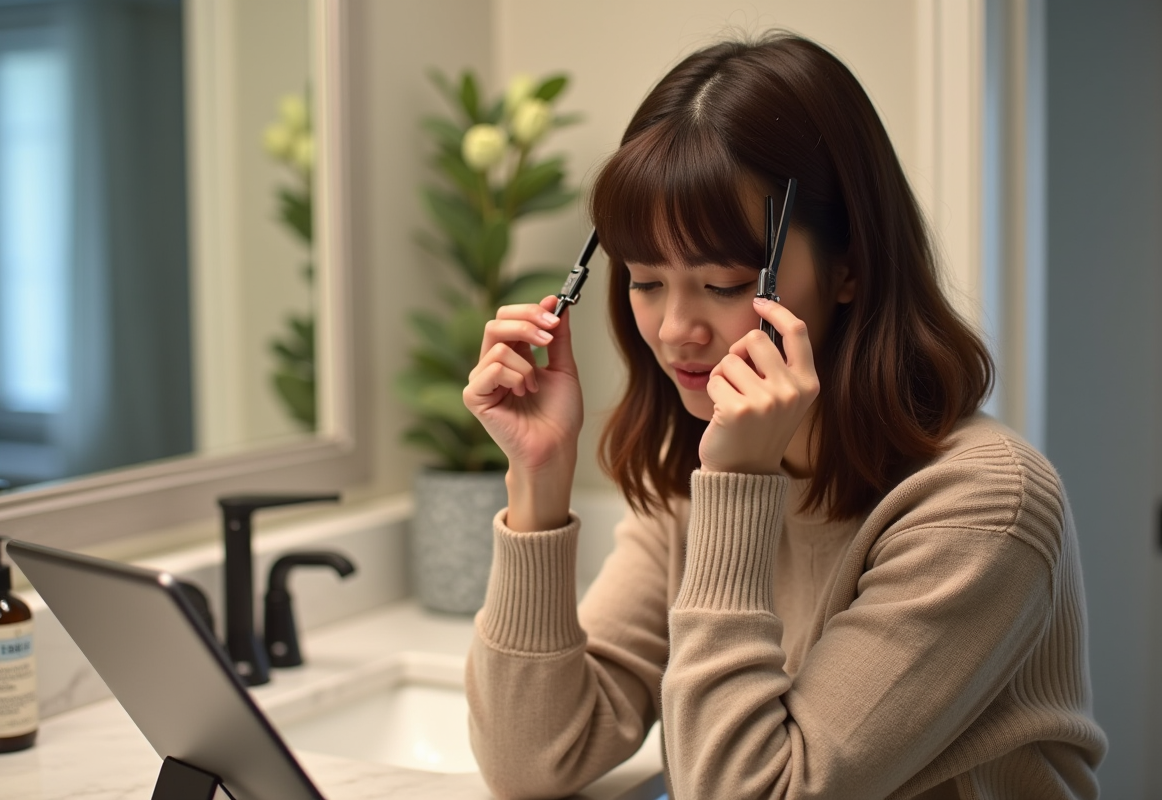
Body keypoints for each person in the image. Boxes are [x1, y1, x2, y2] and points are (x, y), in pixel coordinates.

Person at [461, 33, 1106, 800]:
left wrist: (737, 484)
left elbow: (749, 791)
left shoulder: (982, 506)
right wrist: (537, 484)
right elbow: (530, 761)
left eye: (725, 284)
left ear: (848, 267)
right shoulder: (698, 472)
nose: (676, 330)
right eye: (645, 282)